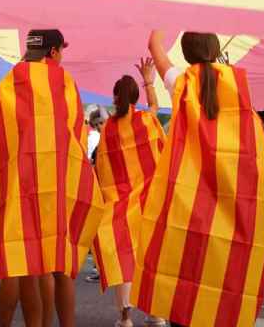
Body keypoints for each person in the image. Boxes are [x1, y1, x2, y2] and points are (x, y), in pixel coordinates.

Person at [136, 30, 264, 327]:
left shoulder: (182, 82)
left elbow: (154, 45)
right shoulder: (238, 89)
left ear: (187, 55)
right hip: (228, 202)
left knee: (186, 276)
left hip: (188, 202)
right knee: (221, 276)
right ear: (216, 52)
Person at [0, 29, 103, 327]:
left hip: (19, 185)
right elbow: (76, 136)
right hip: (59, 185)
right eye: (61, 50)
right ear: (52, 52)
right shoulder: (63, 81)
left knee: (25, 262)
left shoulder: (12, 80)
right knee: (59, 265)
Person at [91, 58, 167, 327]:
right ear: (135, 97)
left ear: (115, 97)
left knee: (123, 257)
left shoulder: (108, 128)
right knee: (150, 257)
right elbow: (156, 109)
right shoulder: (146, 119)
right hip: (147, 203)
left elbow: (102, 166)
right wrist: (149, 80)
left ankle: (124, 318)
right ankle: (156, 313)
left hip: (119, 205)